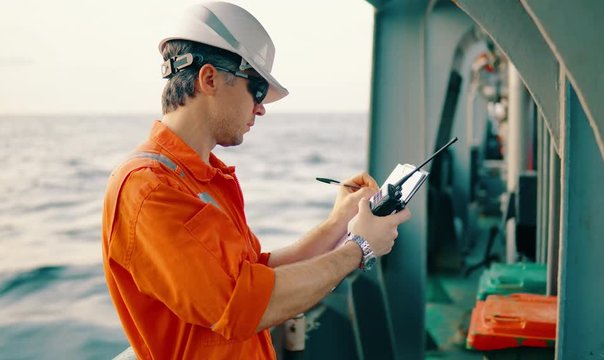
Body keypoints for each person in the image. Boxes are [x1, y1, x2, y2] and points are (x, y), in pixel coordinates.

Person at [101, 1, 411, 359]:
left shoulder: (205, 178)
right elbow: (244, 306)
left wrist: (339, 221)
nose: (261, 108)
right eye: (257, 90)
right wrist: (359, 249)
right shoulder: (150, 189)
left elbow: (258, 274)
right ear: (210, 79)